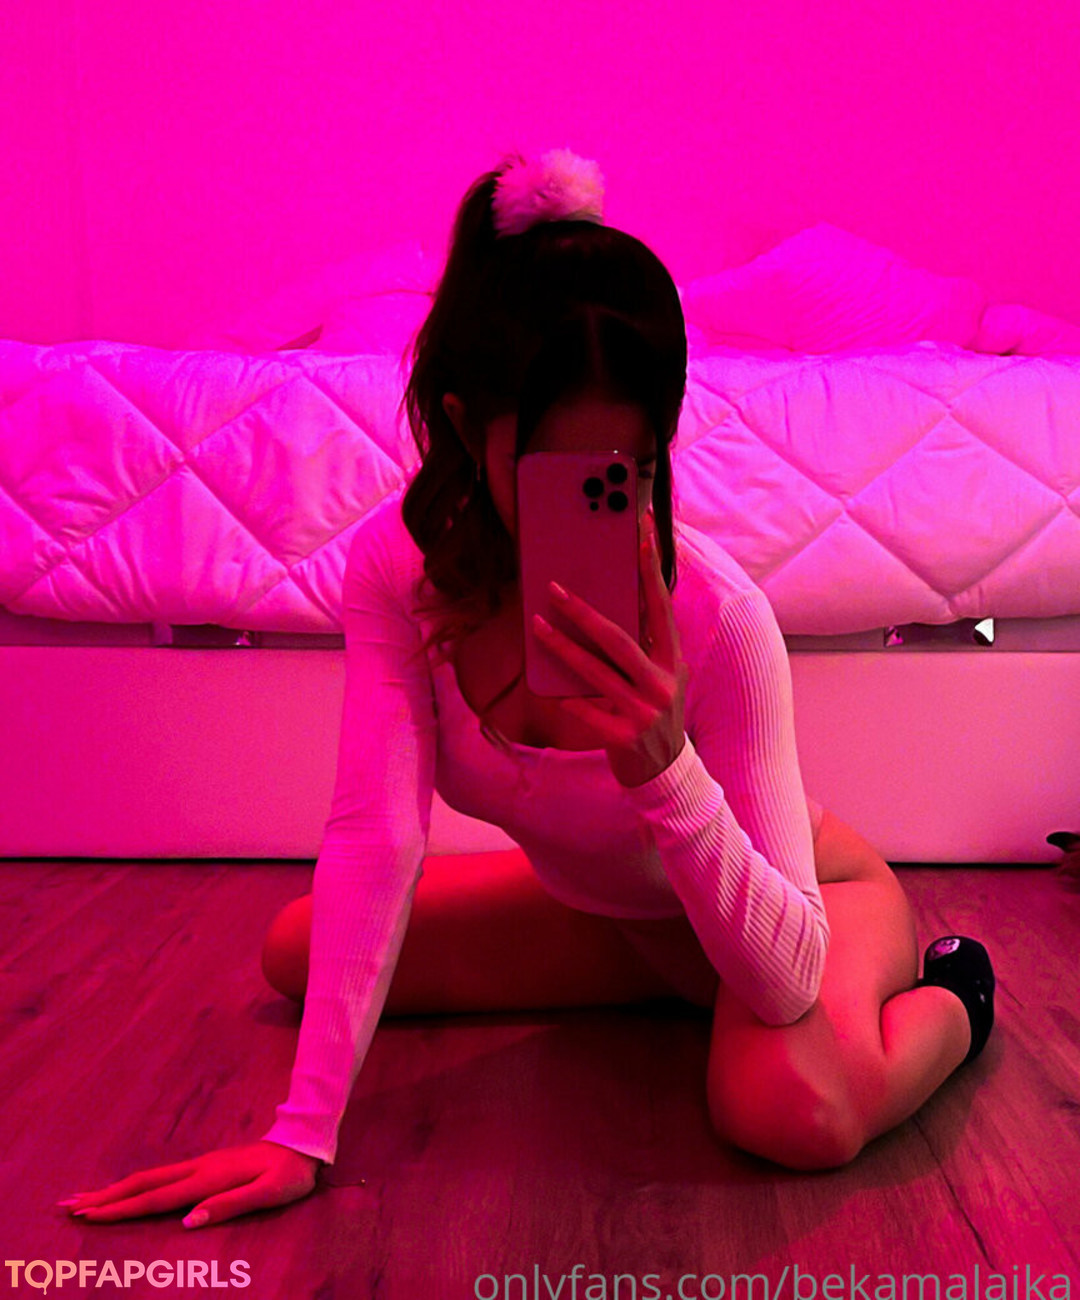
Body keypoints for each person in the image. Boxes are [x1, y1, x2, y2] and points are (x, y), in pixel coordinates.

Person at [57, 148, 995, 1231]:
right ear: (465, 428)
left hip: (800, 912)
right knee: (299, 951)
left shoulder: (718, 617)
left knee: (794, 1113)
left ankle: (957, 997)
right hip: (615, 922)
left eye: (627, 473)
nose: (597, 505)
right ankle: (672, 1002)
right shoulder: (397, 575)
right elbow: (375, 835)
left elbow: (786, 977)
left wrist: (664, 766)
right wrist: (300, 1135)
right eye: (555, 473)